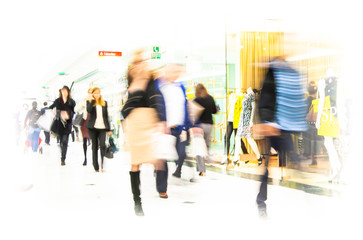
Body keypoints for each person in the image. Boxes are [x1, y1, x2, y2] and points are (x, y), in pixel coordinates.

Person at [256, 57, 307, 217]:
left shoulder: (287, 76)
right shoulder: (272, 75)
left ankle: (304, 198)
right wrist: (267, 121)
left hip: (283, 126)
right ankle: (261, 201)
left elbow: (295, 100)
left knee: (292, 158)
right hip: (273, 125)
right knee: (268, 165)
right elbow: (265, 100)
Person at [121, 50, 167, 216]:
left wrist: (161, 120)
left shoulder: (150, 79)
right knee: (135, 163)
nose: (139, 65)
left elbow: (155, 98)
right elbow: (130, 102)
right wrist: (138, 80)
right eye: (136, 62)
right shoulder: (132, 79)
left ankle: (161, 188)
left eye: (141, 62)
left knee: (157, 159)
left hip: (149, 119)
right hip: (134, 121)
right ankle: (137, 202)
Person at [155, 63, 192, 180]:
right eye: (175, 72)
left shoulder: (180, 87)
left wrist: (189, 125)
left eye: (178, 72)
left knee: (181, 153)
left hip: (179, 128)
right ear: (167, 71)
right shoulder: (158, 85)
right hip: (164, 128)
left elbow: (185, 106)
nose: (177, 74)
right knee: (163, 157)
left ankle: (178, 170)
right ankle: (162, 187)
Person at [193, 83, 217, 175]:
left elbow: (194, 115)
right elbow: (214, 111)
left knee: (199, 147)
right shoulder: (210, 98)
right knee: (206, 145)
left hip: (199, 126)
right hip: (209, 125)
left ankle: (202, 169)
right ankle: (209, 158)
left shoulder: (196, 100)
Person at [86, 87, 112, 172]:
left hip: (102, 128)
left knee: (103, 145)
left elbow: (106, 116)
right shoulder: (89, 102)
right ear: (93, 94)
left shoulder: (104, 103)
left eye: (98, 93)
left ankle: (102, 165)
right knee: (95, 146)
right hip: (92, 128)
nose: (97, 94)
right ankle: (95, 165)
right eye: (95, 93)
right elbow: (89, 110)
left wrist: (109, 128)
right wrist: (93, 101)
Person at [49, 86, 76, 166]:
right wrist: (53, 113)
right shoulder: (57, 101)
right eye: (62, 91)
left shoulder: (71, 101)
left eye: (65, 91)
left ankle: (63, 158)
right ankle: (62, 154)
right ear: (61, 92)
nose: (64, 92)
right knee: (61, 141)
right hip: (59, 123)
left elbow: (74, 111)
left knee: (65, 141)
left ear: (68, 92)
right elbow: (51, 108)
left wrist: (68, 114)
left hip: (67, 123)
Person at [75, 88, 92, 166]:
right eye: (89, 92)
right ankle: (85, 158)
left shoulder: (97, 101)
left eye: (92, 93)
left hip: (94, 122)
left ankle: (94, 158)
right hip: (85, 121)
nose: (91, 94)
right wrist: (82, 105)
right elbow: (76, 109)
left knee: (94, 140)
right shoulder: (84, 100)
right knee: (85, 140)